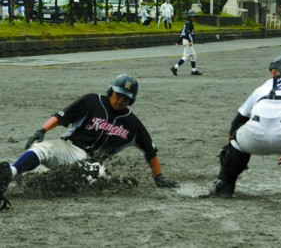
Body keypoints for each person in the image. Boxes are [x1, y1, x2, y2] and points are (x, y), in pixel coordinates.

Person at [0, 74, 178, 210]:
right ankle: (8, 175)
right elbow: (62, 116)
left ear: (132, 100)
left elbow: (150, 150)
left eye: (126, 97)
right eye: (119, 94)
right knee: (42, 148)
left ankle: (45, 178)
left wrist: (158, 176)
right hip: (68, 148)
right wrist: (42, 129)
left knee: (97, 178)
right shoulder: (93, 101)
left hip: (92, 163)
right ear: (111, 91)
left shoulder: (133, 124)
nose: (121, 99)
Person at [211, 54, 281, 197]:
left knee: (236, 144)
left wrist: (230, 150)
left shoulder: (264, 86)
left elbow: (237, 122)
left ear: (275, 72)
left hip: (255, 135)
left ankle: (225, 185)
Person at [171, 9, 202, 76]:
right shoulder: (188, 23)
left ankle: (194, 70)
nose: (194, 18)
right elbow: (186, 33)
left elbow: (182, 32)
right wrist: (190, 41)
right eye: (192, 16)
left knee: (193, 55)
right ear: (189, 17)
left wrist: (179, 41)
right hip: (188, 41)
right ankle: (175, 67)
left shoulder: (188, 23)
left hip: (187, 41)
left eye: (194, 16)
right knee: (185, 56)